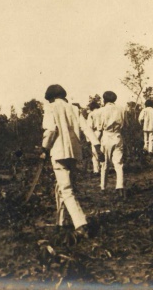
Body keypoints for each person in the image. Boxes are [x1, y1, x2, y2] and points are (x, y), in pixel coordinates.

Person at [41, 84, 102, 238]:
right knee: (61, 187)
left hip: (58, 152)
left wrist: (44, 149)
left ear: (51, 98)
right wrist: (96, 145)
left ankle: (81, 224)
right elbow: (86, 128)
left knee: (66, 189)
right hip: (74, 153)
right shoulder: (74, 108)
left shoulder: (51, 108)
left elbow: (50, 130)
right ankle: (60, 222)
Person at [96, 91, 127, 198]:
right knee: (119, 163)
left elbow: (99, 129)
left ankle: (103, 187)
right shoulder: (122, 109)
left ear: (104, 99)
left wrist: (96, 142)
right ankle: (120, 187)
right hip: (118, 136)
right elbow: (125, 124)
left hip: (106, 136)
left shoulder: (101, 111)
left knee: (104, 164)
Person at [86, 101, 102, 175]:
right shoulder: (102, 111)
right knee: (103, 151)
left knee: (95, 151)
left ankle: (96, 170)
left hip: (95, 133)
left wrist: (88, 138)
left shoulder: (91, 114)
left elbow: (89, 126)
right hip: (104, 132)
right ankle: (103, 168)